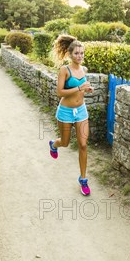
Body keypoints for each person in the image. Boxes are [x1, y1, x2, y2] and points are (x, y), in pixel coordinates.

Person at [48, 35, 94, 196]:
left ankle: (83, 179)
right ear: (70, 54)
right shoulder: (64, 70)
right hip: (66, 112)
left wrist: (86, 90)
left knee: (83, 144)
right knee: (66, 142)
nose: (79, 56)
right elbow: (59, 92)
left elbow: (81, 90)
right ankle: (54, 144)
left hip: (81, 111)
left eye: (82, 53)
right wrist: (80, 87)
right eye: (76, 53)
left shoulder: (84, 70)